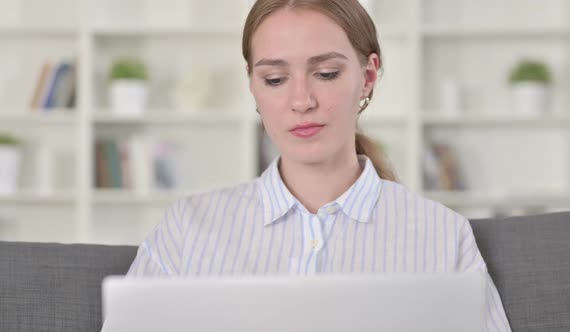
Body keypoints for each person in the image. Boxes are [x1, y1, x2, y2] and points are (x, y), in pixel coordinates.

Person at [126, 0, 511, 330]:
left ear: (368, 77)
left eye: (326, 74)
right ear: (253, 88)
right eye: (275, 79)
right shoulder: (187, 231)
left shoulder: (442, 237)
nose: (301, 101)